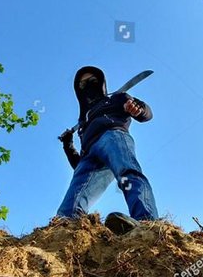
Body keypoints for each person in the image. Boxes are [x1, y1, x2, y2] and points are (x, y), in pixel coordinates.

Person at [56, 66, 158, 233]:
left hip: (113, 136)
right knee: (76, 191)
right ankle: (64, 231)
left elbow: (145, 114)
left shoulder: (116, 98)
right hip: (89, 153)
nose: (88, 86)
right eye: (83, 84)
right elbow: (78, 166)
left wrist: (138, 108)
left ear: (101, 83)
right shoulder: (83, 121)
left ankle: (146, 223)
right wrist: (68, 145)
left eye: (92, 81)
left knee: (128, 174)